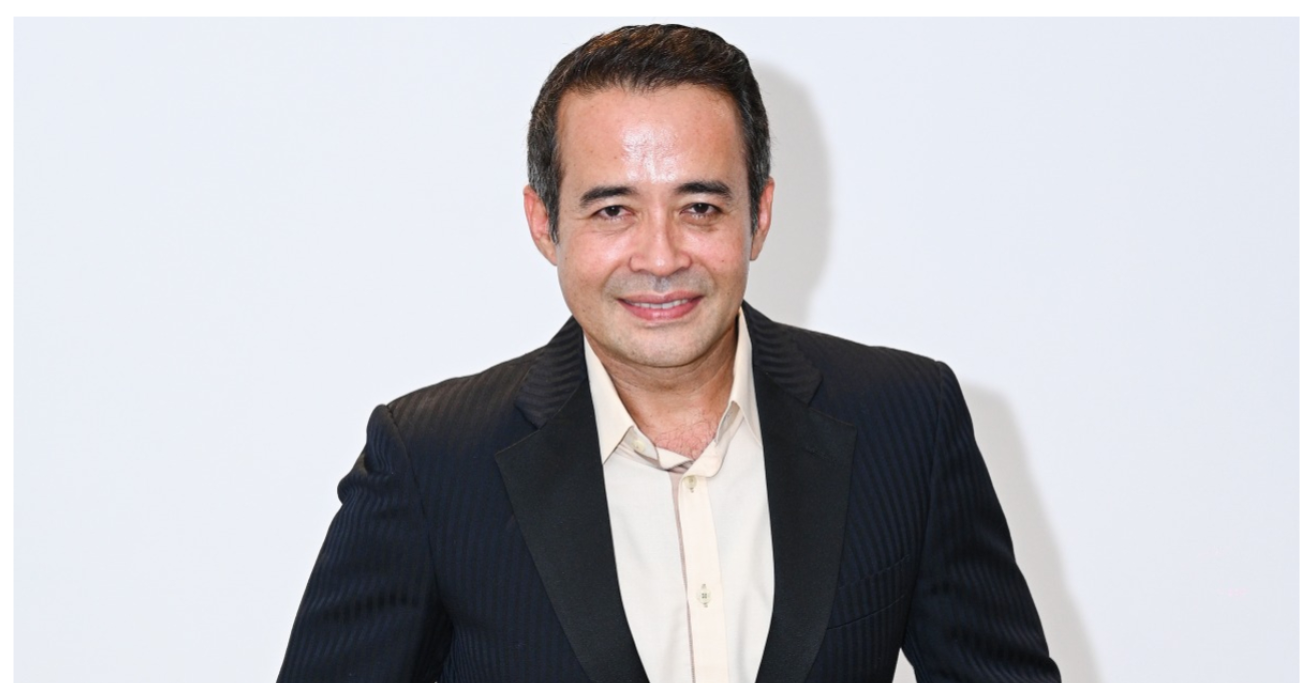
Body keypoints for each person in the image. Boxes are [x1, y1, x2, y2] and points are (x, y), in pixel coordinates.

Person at [278, 24, 1060, 683]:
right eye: (612, 210)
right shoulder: (429, 461)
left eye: (700, 206)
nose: (660, 256)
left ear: (758, 216)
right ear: (544, 224)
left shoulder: (906, 421)